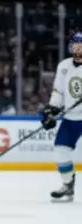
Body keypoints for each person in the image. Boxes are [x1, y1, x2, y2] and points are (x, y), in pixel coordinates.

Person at [42, 32, 82, 202]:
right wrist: (52, 110)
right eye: (75, 44)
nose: (78, 47)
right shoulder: (64, 66)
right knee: (60, 152)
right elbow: (58, 91)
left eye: (81, 44)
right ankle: (68, 184)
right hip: (72, 118)